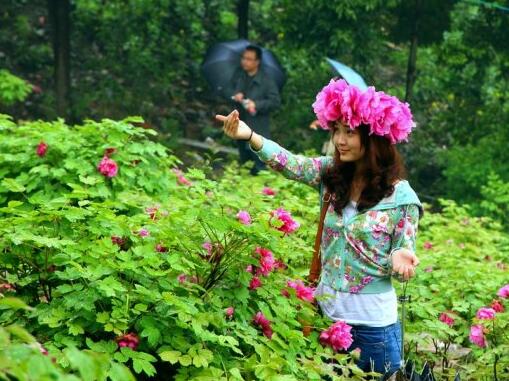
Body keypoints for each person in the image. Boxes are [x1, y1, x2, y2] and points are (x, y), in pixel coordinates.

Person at [216, 78, 422, 380]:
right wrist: (250, 136)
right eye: (336, 130)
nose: (340, 140)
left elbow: (405, 247)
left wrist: (400, 258)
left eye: (349, 132)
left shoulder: (401, 198)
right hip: (327, 319)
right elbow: (291, 163)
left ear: (374, 138)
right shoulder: (331, 174)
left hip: (373, 330)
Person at [223, 45, 281, 175]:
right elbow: (226, 91)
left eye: (249, 59)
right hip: (240, 125)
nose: (245, 61)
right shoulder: (239, 75)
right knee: (245, 165)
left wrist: (256, 104)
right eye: (244, 58)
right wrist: (235, 95)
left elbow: (275, 102)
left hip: (258, 128)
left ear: (257, 61)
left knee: (259, 167)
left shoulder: (266, 80)